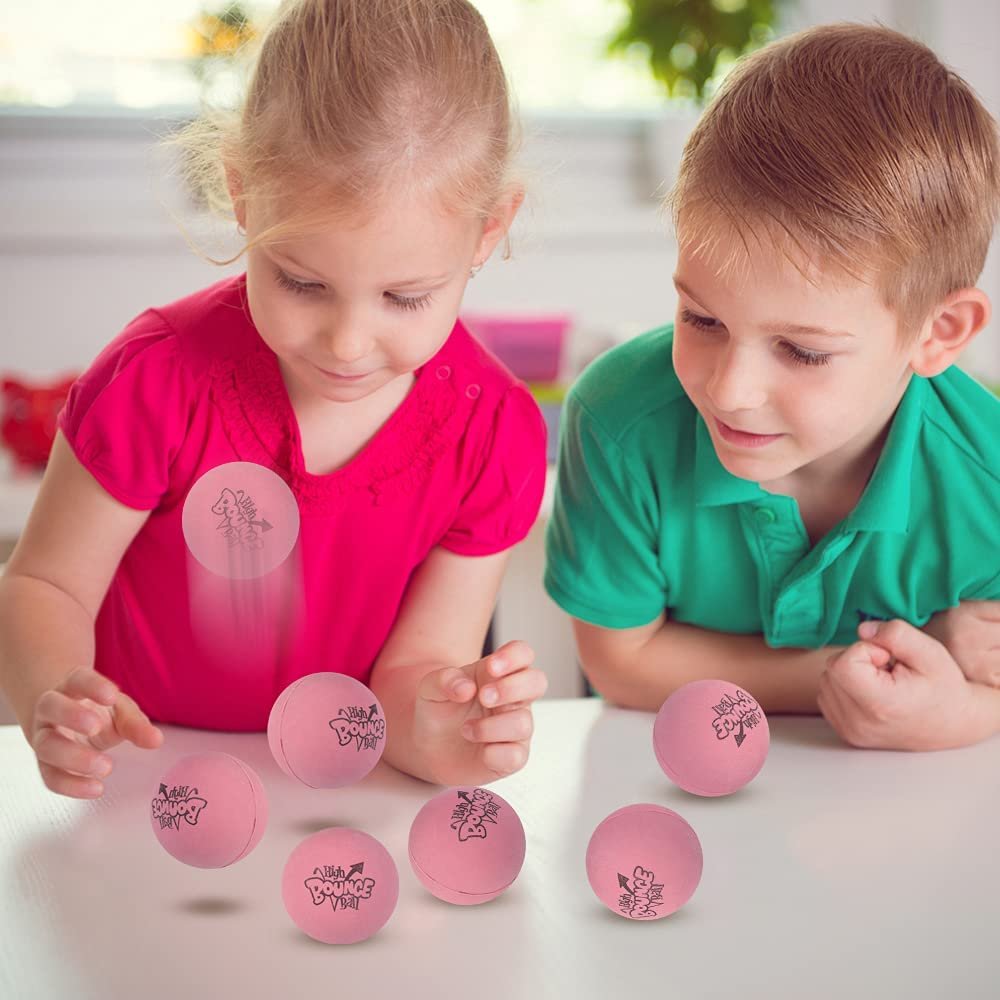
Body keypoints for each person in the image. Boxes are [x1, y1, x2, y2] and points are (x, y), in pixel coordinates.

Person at [0, 0, 548, 798]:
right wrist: (54, 699)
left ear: (488, 231)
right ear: (243, 196)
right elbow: (43, 585)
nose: (347, 343)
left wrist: (444, 731)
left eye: (405, 297)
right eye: (302, 282)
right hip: (137, 785)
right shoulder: (156, 378)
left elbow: (411, 677)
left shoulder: (493, 436)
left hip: (330, 800)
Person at [545, 23, 1000, 751]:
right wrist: (900, 660)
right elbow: (623, 664)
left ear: (939, 333)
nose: (730, 390)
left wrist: (965, 714)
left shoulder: (989, 475)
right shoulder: (618, 418)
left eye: (802, 351)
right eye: (701, 317)